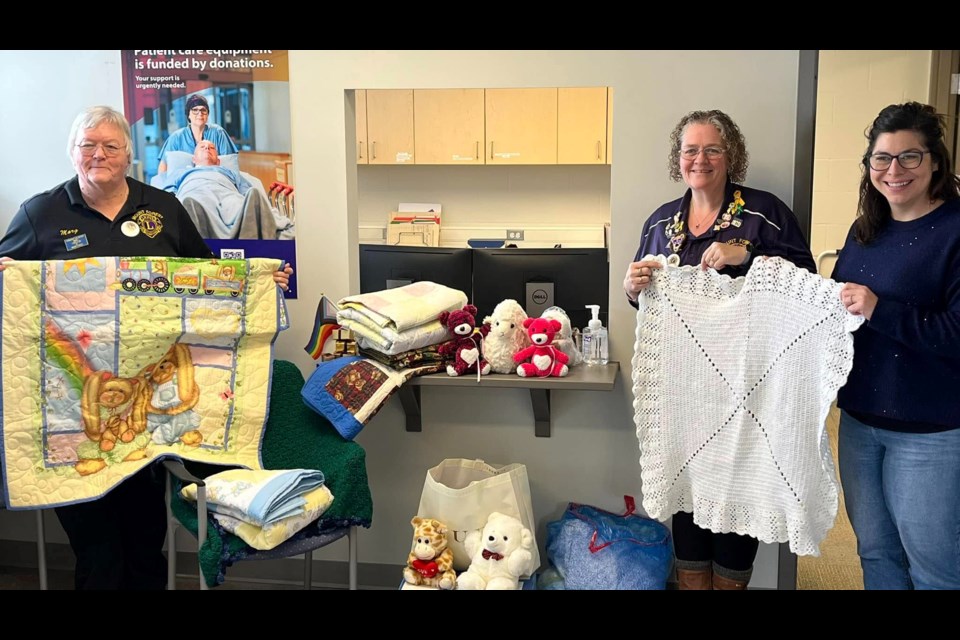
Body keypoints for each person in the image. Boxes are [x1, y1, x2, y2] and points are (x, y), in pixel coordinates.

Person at [0, 105, 292, 590]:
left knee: (144, 539)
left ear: (128, 154)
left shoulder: (162, 209)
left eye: (110, 146)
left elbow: (207, 282)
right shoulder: (40, 213)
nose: (99, 155)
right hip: (74, 411)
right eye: (88, 145)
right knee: (96, 548)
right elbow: (7, 276)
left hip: (147, 412)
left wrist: (257, 283)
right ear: (73, 153)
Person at [623, 109, 815, 590]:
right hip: (682, 399)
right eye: (691, 150)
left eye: (712, 149)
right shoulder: (660, 222)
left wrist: (747, 254)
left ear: (732, 157)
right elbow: (649, 309)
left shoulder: (764, 213)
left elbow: (806, 288)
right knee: (686, 508)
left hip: (746, 399)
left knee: (735, 506)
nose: (700, 159)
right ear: (678, 158)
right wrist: (632, 287)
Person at [833, 102, 960, 590]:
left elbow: (956, 332)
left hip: (931, 432)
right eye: (882, 159)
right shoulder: (865, 231)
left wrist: (878, 308)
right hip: (861, 423)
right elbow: (843, 308)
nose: (894, 170)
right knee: (876, 553)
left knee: (934, 567)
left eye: (910, 157)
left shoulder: (955, 231)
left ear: (934, 162)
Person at [157, 94, 238, 174]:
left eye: (203, 110)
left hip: (215, 179)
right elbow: (163, 167)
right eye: (195, 110)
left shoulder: (218, 133)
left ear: (207, 115)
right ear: (188, 115)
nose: (200, 113)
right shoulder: (176, 138)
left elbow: (230, 164)